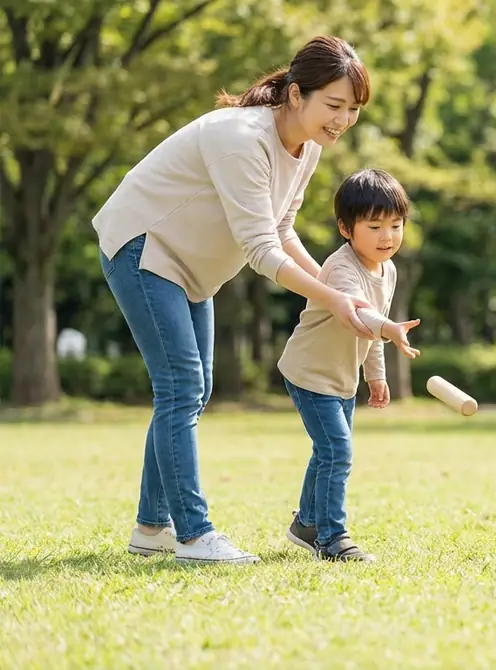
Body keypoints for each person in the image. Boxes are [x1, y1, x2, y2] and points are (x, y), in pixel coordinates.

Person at [95, 36, 378, 565]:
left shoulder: (307, 146)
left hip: (190, 268)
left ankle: (151, 527)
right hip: (143, 246)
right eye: (333, 105)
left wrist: (339, 296)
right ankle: (194, 534)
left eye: (353, 110)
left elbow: (282, 227)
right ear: (296, 94)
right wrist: (331, 297)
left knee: (187, 393)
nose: (342, 120)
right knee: (183, 387)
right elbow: (260, 249)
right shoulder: (242, 138)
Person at [276, 168, 421, 562]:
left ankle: (307, 522)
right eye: (374, 226)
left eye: (395, 225)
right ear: (345, 228)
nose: (387, 236)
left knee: (328, 451)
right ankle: (332, 538)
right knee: (337, 451)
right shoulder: (341, 268)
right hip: (309, 374)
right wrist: (389, 328)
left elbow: (370, 330)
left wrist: (376, 376)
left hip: (341, 378)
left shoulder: (387, 269)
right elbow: (361, 315)